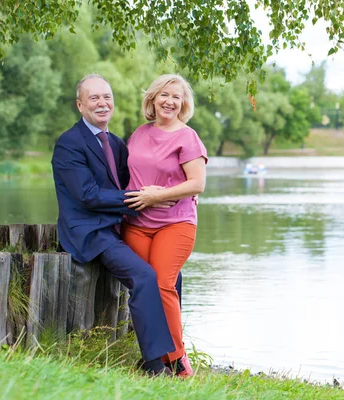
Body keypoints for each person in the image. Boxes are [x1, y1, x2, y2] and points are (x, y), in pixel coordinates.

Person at [51, 74, 175, 376]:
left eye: (107, 97)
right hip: (91, 231)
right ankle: (154, 365)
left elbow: (135, 183)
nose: (102, 103)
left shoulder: (118, 144)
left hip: (121, 228)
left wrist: (174, 195)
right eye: (93, 98)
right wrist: (146, 198)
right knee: (144, 276)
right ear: (80, 105)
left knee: (170, 274)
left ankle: (174, 353)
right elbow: (88, 196)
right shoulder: (69, 143)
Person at [122, 74, 207, 378]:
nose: (170, 101)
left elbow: (198, 183)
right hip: (137, 224)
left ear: (183, 103)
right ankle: (153, 360)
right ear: (153, 99)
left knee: (162, 284)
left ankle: (178, 359)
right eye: (164, 95)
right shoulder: (139, 134)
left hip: (175, 223)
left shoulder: (188, 137)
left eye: (176, 97)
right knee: (145, 289)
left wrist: (160, 195)